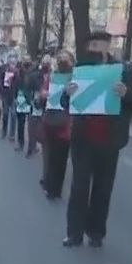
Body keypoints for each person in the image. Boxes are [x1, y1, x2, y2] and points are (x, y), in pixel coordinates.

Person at [63, 30, 132, 248]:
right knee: (79, 187)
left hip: (110, 139)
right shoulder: (80, 70)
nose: (94, 49)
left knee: (103, 188)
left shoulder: (123, 71)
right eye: (91, 45)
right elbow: (68, 103)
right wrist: (68, 93)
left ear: (108, 46)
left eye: (98, 45)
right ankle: (74, 233)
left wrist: (126, 94)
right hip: (83, 139)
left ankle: (96, 232)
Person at [40, 51, 74, 200]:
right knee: (50, 155)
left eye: (65, 59)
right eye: (60, 59)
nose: (62, 62)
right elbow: (42, 95)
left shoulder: (75, 79)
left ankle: (56, 188)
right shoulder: (51, 77)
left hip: (66, 124)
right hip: (50, 120)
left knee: (61, 158)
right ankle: (49, 185)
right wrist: (43, 94)